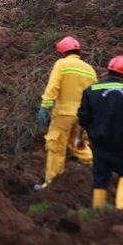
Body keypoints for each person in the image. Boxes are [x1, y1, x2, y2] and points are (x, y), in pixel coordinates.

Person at [78, 55, 123, 211]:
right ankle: (120, 209)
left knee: (100, 178)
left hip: (99, 143)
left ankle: (98, 212)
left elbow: (83, 118)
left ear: (109, 70)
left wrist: (79, 138)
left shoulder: (92, 90)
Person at [34, 36, 97, 191]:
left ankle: (52, 183)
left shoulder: (62, 64)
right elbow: (94, 95)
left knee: (56, 146)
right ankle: (101, 169)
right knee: (79, 145)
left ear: (63, 51)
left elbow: (53, 86)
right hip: (82, 117)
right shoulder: (89, 69)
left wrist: (45, 106)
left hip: (64, 114)